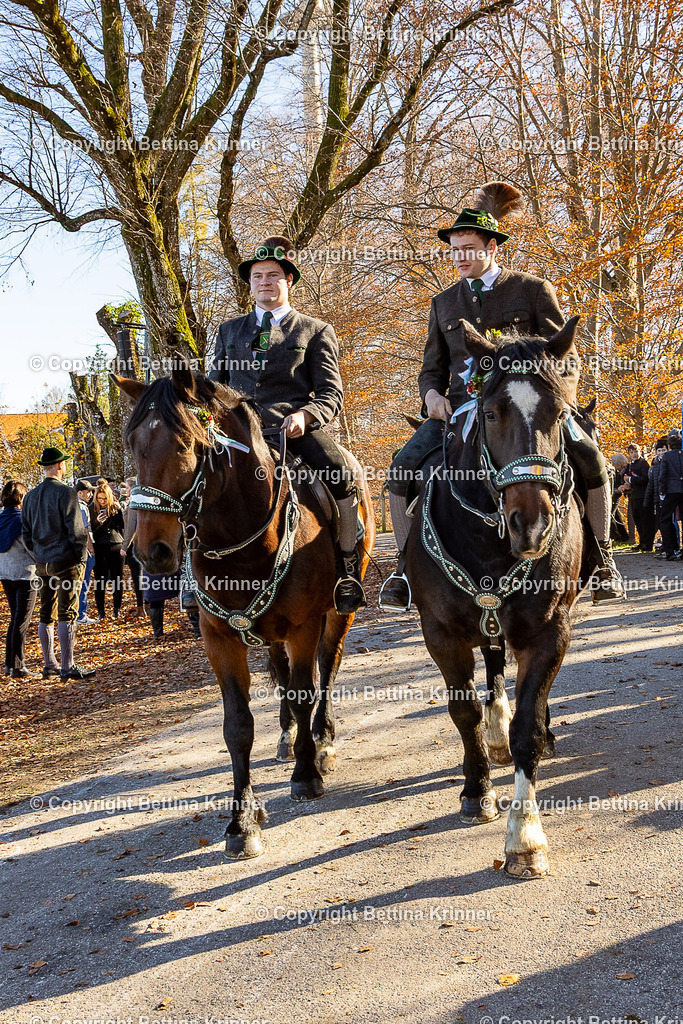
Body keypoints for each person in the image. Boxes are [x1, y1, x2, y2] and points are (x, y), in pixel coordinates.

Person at [381, 181, 624, 608]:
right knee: (402, 467)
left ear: (493, 246)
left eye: (468, 248)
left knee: (591, 458)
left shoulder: (532, 289)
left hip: (533, 405)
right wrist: (433, 396)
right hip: (462, 408)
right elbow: (431, 367)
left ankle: (603, 558)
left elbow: (565, 356)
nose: (459, 258)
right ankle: (403, 569)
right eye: (454, 249)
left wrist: (558, 398)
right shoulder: (443, 303)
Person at [209, 234, 365, 614]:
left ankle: (346, 572)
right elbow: (214, 387)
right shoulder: (229, 331)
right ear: (249, 283)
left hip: (292, 432)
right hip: (238, 435)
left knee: (341, 474)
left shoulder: (314, 330)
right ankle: (190, 575)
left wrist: (306, 415)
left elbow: (331, 394)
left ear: (288, 280)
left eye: (273, 275)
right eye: (257, 275)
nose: (264, 281)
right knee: (191, 479)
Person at [21, 447, 95, 680]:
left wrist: (38, 554)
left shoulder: (31, 496)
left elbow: (26, 534)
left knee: (46, 612)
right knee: (67, 612)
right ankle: (68, 665)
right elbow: (76, 531)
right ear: (60, 466)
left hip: (43, 561)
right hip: (66, 560)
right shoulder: (66, 493)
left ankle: (49, 662)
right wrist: (80, 556)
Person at [0, 481, 38, 678]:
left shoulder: (1, 519)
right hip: (25, 574)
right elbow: (31, 548)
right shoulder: (23, 521)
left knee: (15, 619)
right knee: (21, 621)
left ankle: (9, 664)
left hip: (5, 573)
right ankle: (18, 666)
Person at [91, 483, 125, 619]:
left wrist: (119, 511)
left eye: (105, 498)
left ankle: (117, 609)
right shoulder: (91, 508)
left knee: (118, 578)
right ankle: (101, 611)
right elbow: (89, 530)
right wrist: (97, 522)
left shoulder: (115, 507)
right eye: (100, 498)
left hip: (116, 544)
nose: (103, 501)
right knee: (100, 580)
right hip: (100, 546)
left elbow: (122, 526)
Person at [621, 443, 654, 551]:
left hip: (643, 496)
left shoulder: (643, 464)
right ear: (629, 454)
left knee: (646, 521)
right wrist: (625, 485)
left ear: (640, 452)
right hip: (634, 496)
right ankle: (642, 542)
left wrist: (630, 480)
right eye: (632, 452)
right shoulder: (630, 465)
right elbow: (626, 478)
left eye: (636, 452)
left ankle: (648, 544)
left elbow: (644, 479)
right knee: (638, 520)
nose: (634, 454)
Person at [120, 479, 144, 618]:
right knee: (140, 577)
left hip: (134, 545)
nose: (126, 490)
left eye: (128, 488)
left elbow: (130, 528)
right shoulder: (136, 503)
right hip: (137, 543)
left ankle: (142, 608)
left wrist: (124, 547)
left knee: (138, 578)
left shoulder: (133, 505)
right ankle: (144, 606)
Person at [657, 430, 683, 560]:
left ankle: (669, 551)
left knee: (665, 519)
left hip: (671, 490)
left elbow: (662, 476)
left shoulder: (667, 457)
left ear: (669, 446)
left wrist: (662, 492)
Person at [644, 438, 672, 557]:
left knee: (668, 523)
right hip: (657, 498)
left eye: (663, 450)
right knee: (660, 523)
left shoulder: (669, 463)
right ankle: (665, 545)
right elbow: (651, 484)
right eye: (659, 450)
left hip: (667, 497)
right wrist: (647, 500)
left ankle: (669, 546)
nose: (661, 453)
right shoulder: (655, 465)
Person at [75, 480, 97, 625]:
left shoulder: (72, 505)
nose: (90, 494)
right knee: (84, 583)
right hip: (84, 550)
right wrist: (91, 549)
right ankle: (81, 614)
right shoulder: (82, 507)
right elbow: (85, 530)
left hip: (75, 550)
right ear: (80, 492)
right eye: (88, 492)